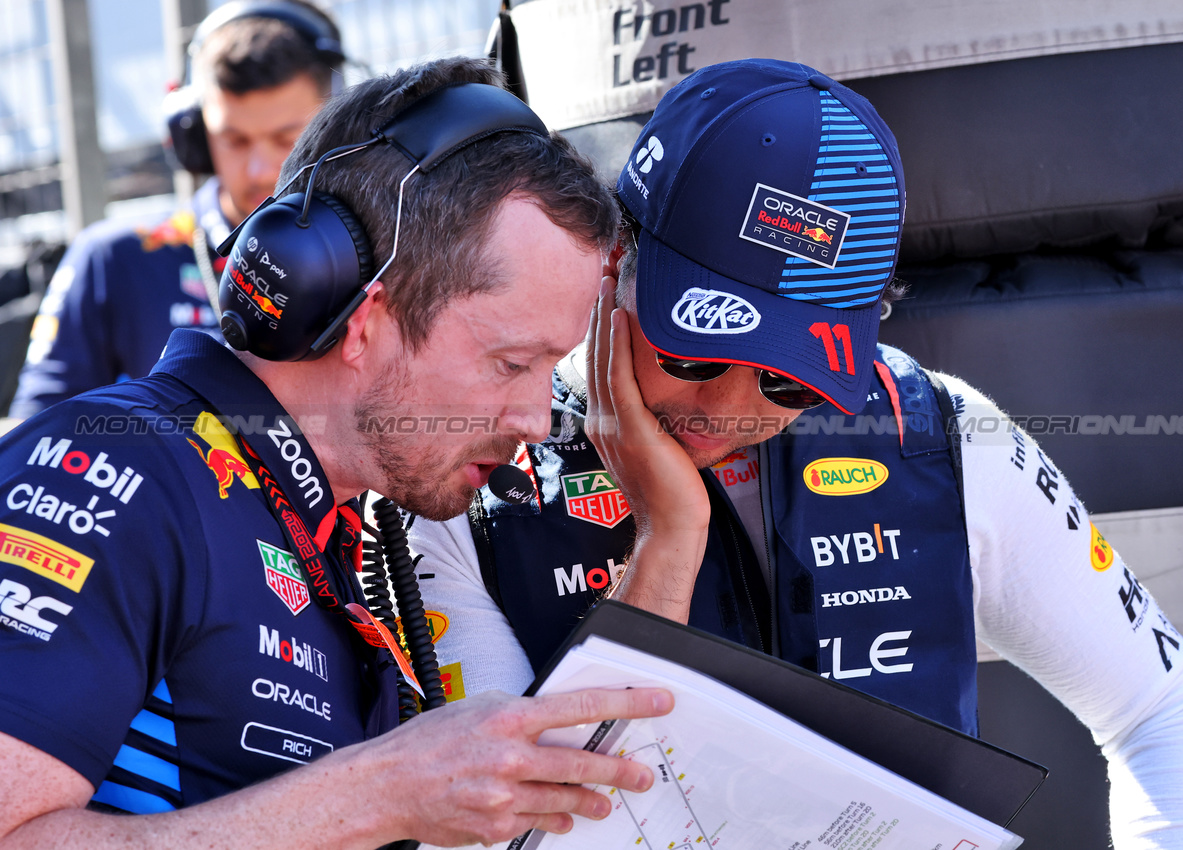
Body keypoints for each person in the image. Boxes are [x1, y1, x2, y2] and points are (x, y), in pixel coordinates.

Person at [408, 59, 1183, 848]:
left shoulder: (945, 438)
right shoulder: (467, 484)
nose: (728, 412)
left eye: (791, 383)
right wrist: (667, 546)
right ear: (611, 262)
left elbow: (1165, 705)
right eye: (693, 354)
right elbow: (511, 837)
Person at [0, 58, 676, 847]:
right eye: (510, 363)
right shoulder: (116, 474)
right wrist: (379, 792)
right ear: (363, 320)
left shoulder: (313, 520)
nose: (535, 418)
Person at [9, 0, 341, 417]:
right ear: (194, 138)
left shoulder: (380, 262)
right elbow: (38, 430)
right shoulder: (114, 259)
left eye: (286, 138)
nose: (259, 170)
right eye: (234, 140)